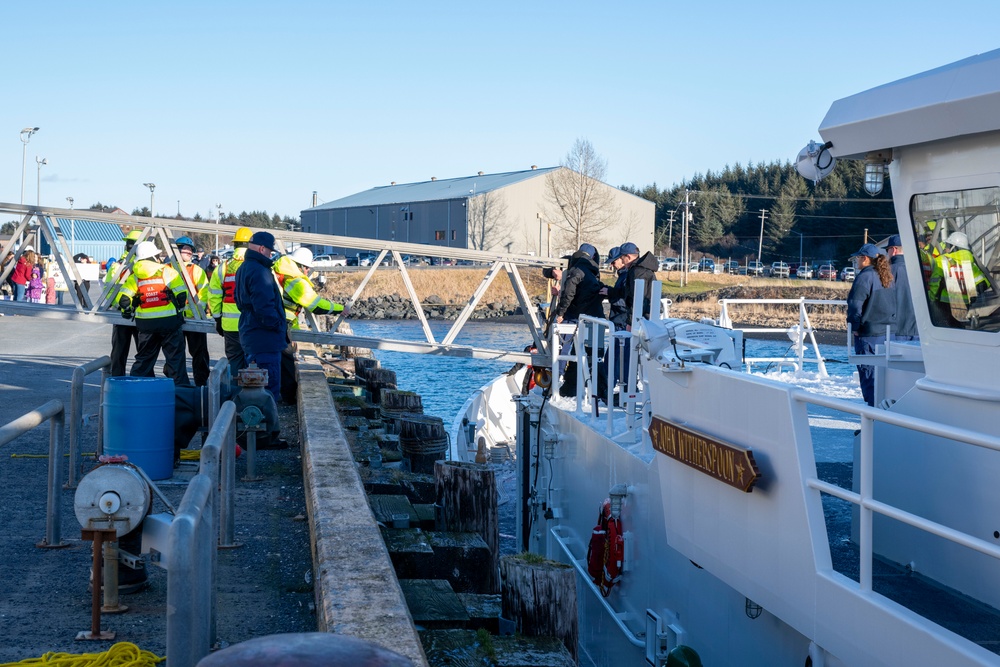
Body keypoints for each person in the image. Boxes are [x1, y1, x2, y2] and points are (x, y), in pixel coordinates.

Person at [116, 241, 190, 385]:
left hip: (146, 326)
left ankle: (137, 390)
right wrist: (179, 308)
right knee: (175, 361)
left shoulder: (136, 276)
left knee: (144, 360)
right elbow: (182, 294)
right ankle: (181, 395)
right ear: (154, 257)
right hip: (170, 324)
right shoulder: (167, 271)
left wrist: (128, 310)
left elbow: (124, 299)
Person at [273, 247, 342, 402]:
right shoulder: (295, 281)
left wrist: (296, 331)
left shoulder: (280, 271)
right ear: (301, 266)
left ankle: (281, 395)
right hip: (281, 325)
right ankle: (289, 398)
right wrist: (340, 309)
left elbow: (288, 305)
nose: (308, 270)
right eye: (307, 267)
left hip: (276, 322)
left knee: (277, 361)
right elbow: (316, 305)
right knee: (287, 363)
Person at [234, 231, 288, 403]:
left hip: (251, 333)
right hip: (264, 338)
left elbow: (238, 299)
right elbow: (265, 307)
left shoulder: (243, 268)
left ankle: (258, 422)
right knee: (268, 387)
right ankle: (268, 426)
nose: (270, 255)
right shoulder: (260, 271)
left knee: (255, 386)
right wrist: (278, 325)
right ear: (262, 248)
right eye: (270, 252)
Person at [552, 243, 606, 397]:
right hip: (592, 318)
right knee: (591, 354)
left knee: (564, 349)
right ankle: (595, 387)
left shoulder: (576, 270)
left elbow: (570, 292)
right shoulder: (592, 271)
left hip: (575, 316)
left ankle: (557, 379)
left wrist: (560, 312)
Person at [846, 243, 895, 406]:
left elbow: (855, 305)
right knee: (884, 379)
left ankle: (873, 419)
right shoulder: (886, 276)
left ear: (865, 259)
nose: (857, 261)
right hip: (887, 334)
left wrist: (855, 327)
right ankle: (883, 414)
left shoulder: (864, 277)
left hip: (869, 335)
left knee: (869, 377)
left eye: (858, 258)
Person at [164, 236, 211, 386]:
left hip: (193, 319)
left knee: (199, 355)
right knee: (174, 355)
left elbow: (203, 294)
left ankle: (201, 385)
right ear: (176, 251)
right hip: (173, 319)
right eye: (185, 249)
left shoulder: (196, 270)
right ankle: (178, 385)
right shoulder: (167, 269)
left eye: (191, 250)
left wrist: (197, 313)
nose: (189, 252)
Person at [209, 227, 253, 374]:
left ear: (235, 245)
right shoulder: (256, 267)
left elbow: (214, 296)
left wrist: (217, 319)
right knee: (253, 362)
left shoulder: (223, 267)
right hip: (251, 323)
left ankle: (235, 394)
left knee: (234, 361)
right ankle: (252, 393)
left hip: (229, 325)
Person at [927, 231, 991, 327]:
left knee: (946, 329)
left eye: (948, 245)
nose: (946, 248)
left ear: (954, 247)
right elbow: (984, 282)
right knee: (959, 327)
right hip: (964, 304)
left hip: (944, 302)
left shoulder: (941, 261)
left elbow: (934, 283)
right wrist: (972, 297)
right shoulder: (970, 263)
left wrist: (931, 300)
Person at [106, 231, 143, 376]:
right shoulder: (143, 266)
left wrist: (121, 306)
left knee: (119, 352)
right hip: (137, 313)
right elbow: (109, 290)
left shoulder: (118, 266)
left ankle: (117, 380)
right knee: (143, 352)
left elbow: (108, 291)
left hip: (124, 313)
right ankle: (143, 380)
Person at [609, 242, 659, 328]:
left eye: (622, 257)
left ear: (628, 257)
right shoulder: (643, 269)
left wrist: (630, 322)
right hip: (647, 316)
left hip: (642, 319)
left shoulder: (637, 272)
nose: (622, 261)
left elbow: (637, 298)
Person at [886, 234, 918, 341]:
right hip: (917, 329)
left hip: (896, 329)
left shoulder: (887, 272)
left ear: (894, 250)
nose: (887, 253)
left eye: (888, 250)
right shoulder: (917, 270)